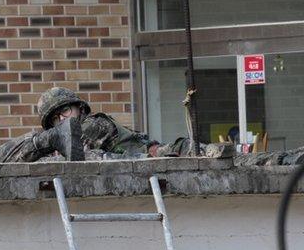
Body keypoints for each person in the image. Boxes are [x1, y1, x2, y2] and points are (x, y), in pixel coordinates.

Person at [36, 87, 304, 165]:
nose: (64, 120)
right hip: (165, 155)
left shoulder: (91, 125)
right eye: (56, 118)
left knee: (248, 162)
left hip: (170, 153)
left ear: (80, 109)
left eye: (66, 111)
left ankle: (294, 157)